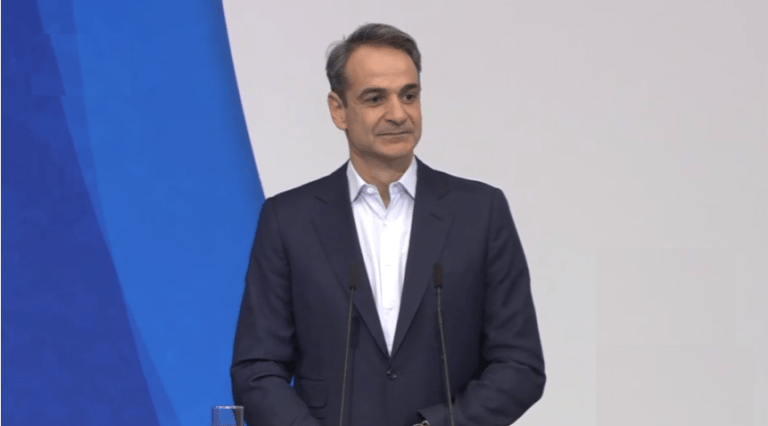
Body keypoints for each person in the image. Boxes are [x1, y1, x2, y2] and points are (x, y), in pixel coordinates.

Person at [231, 23, 546, 426]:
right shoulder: (288, 219)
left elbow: (519, 364)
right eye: (375, 98)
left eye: (409, 95)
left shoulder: (480, 212)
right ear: (338, 110)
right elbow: (257, 369)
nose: (398, 114)